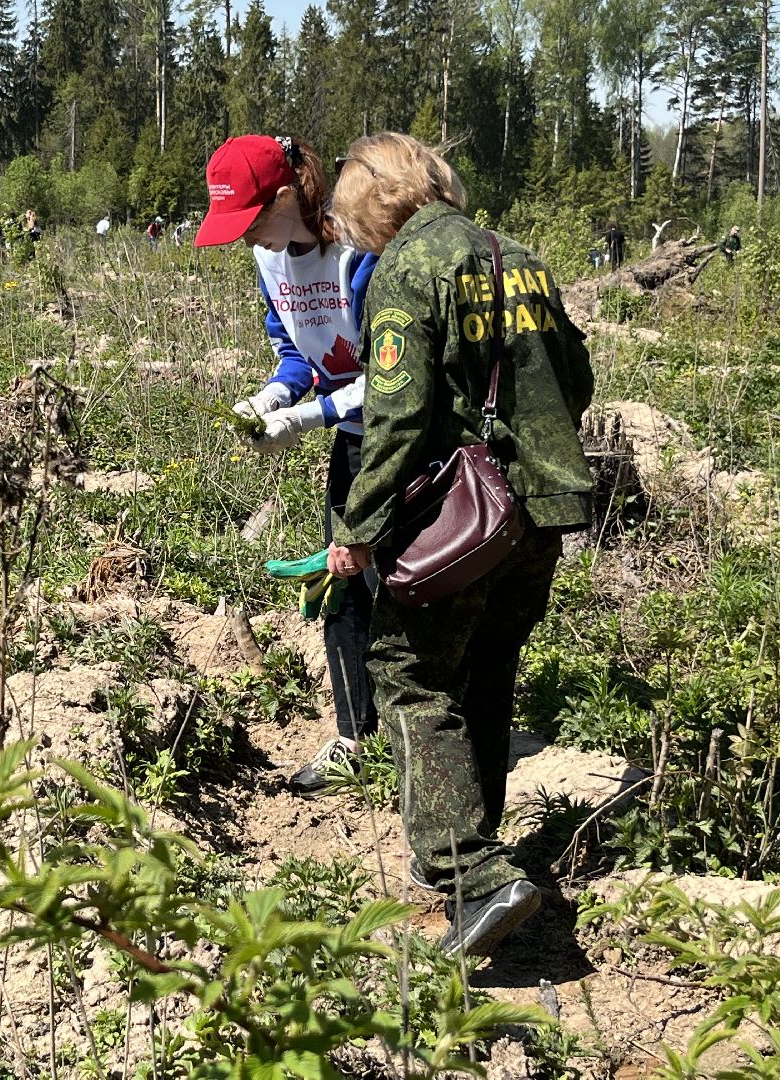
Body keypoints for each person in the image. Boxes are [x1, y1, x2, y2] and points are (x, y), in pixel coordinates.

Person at [326, 132, 593, 958]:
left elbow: (398, 415)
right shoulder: (522, 258)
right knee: (489, 667)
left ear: (376, 200)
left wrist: (358, 529)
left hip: (465, 518)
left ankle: (471, 874)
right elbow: (574, 377)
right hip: (543, 512)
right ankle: (485, 851)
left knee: (406, 672)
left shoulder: (409, 269)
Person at [193, 134, 380, 796]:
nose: (249, 241)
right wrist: (269, 399)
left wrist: (303, 419)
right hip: (352, 440)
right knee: (342, 585)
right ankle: (357, 739)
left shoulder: (359, 252)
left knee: (408, 583)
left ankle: (427, 733)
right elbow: (299, 357)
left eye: (252, 223)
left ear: (284, 197)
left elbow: (397, 377)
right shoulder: (271, 263)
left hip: (408, 440)